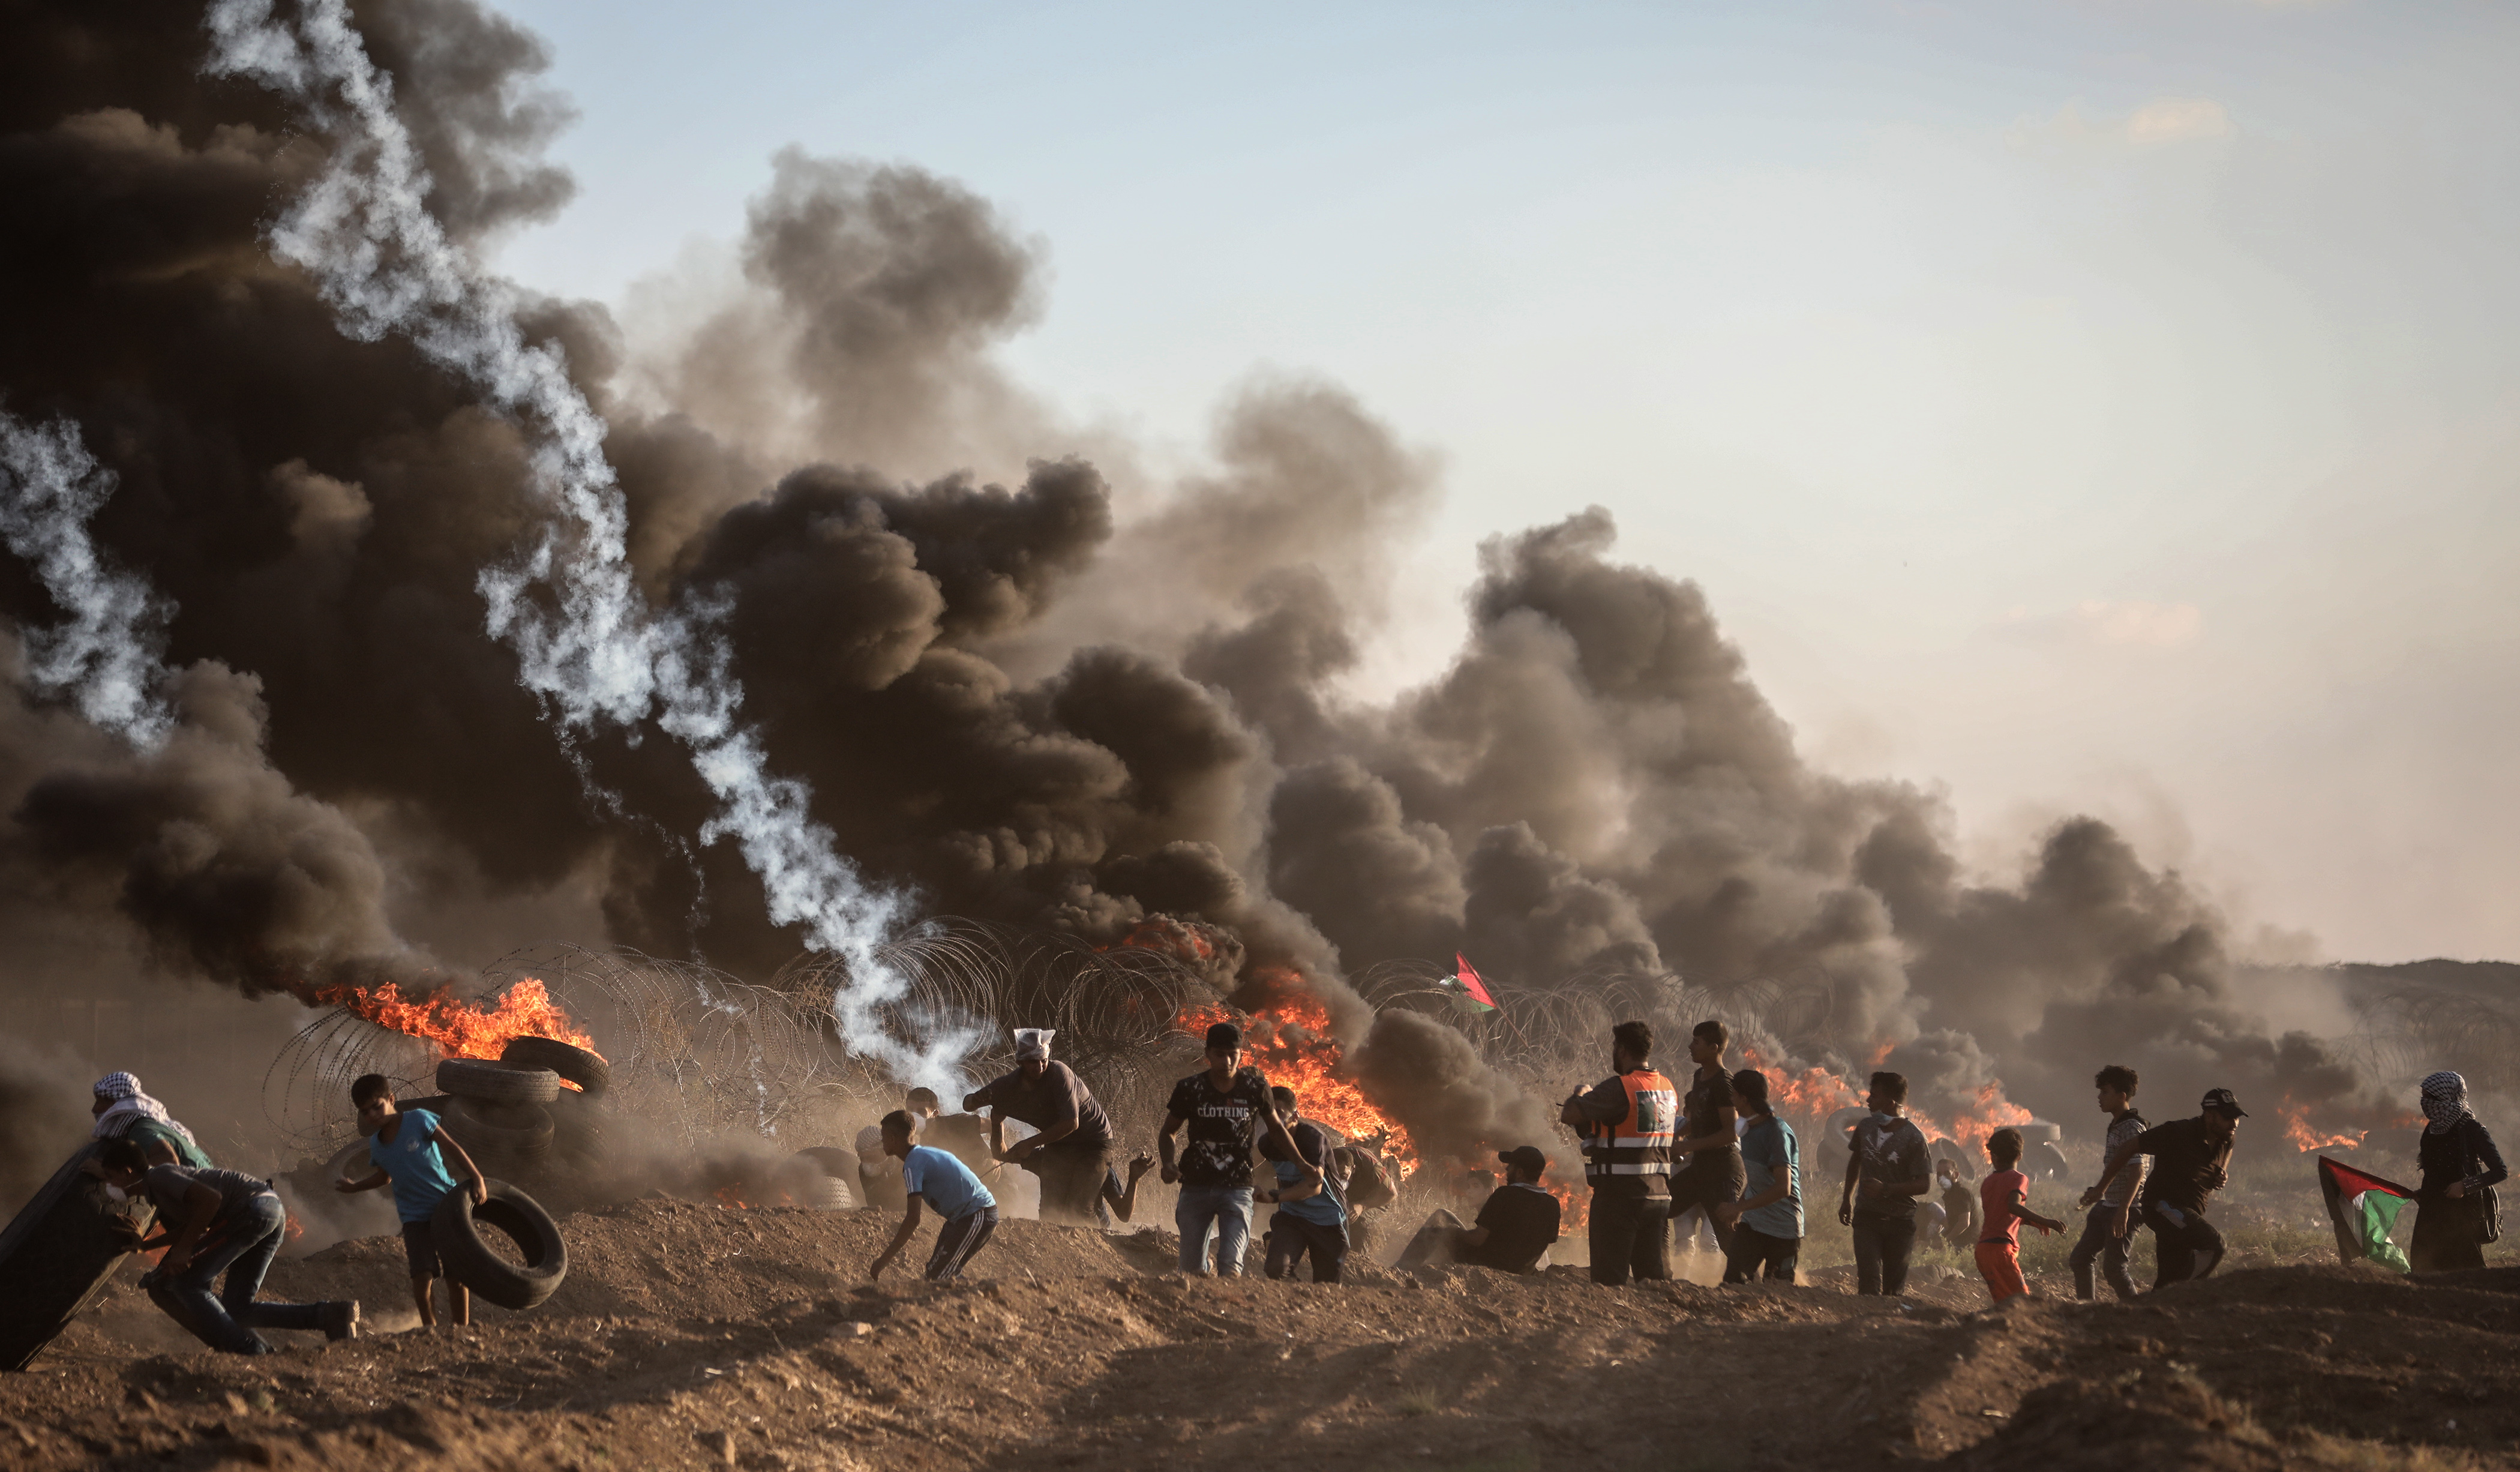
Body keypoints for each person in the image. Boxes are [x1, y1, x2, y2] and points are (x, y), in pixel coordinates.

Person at [96, 1138, 358, 1353]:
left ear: (127, 1173)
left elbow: (211, 1201)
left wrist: (184, 1251)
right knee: (238, 1307)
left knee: (188, 1283)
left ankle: (249, 1351)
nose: (109, 1185)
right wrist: (146, 1245)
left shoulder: (159, 1176)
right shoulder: (159, 1186)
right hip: (267, 1212)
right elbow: (192, 1225)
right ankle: (329, 1315)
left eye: (110, 1177)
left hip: (251, 1211)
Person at [1158, 1021, 1315, 1278]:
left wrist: (1302, 1164)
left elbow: (1277, 1129)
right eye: (1220, 1054)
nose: (1228, 1061)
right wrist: (1168, 1163)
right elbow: (1169, 1131)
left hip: (1238, 1187)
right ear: (1208, 1053)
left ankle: (1224, 1305)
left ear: (1242, 1054)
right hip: (1196, 1184)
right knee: (1191, 1269)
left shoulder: (1254, 1089)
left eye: (1234, 1054)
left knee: (1232, 1267)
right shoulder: (1190, 1089)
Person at [334, 1074, 490, 1330]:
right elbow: (384, 1178)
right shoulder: (377, 1145)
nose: (372, 1115)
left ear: (391, 1099)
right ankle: (430, 1328)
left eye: (377, 1106)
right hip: (414, 1217)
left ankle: (460, 1329)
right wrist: (355, 1188)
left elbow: (452, 1147)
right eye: (365, 1112)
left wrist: (477, 1178)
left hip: (446, 1204)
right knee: (422, 1276)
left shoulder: (418, 1119)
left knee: (456, 1274)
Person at [1559, 1019, 1677, 1287]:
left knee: (1609, 1283)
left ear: (1622, 1050)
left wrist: (1581, 1094)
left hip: (1620, 1199)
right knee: (1652, 1281)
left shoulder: (1621, 1087)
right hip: (1658, 1197)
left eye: (1614, 1047)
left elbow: (1569, 1114)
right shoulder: (1667, 1088)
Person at [964, 1029, 1120, 1226]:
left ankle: (1104, 1239)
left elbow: (1072, 1122)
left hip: (1094, 1142)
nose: (1039, 1067)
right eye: (1032, 1062)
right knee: (1049, 1211)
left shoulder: (1060, 1074)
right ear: (1020, 1062)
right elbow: (970, 1107)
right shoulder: (1008, 1086)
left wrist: (1030, 1144)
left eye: (1043, 1060)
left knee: (1080, 1207)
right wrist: (992, 1118)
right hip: (1059, 1144)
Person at [2093, 1087, 2245, 1288]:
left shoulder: (2226, 1137)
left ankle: (2154, 1309)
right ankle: (2184, 1292)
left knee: (2169, 1278)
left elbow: (2229, 1150)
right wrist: (2101, 1188)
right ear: (2210, 1116)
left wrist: (2221, 1171)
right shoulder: (2178, 1132)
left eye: (2236, 1117)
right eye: (2228, 1117)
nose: (2234, 1123)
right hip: (2162, 1206)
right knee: (2215, 1246)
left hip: (2188, 1212)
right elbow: (2129, 1147)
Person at [869, 1109, 1000, 1284]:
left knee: (941, 1277)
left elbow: (913, 1219)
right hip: (962, 1218)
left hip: (977, 1214)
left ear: (893, 1139)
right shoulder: (924, 1154)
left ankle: (983, 1297)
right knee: (935, 1274)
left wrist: (882, 1261)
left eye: (883, 1137)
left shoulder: (912, 1165)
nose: (882, 1142)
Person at [1838, 1071, 1932, 1297]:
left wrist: (1887, 1190)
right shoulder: (1865, 1127)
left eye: (1874, 1096)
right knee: (1868, 1283)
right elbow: (1856, 1161)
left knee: (1893, 1290)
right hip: (1867, 1216)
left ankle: (1888, 1329)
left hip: (1900, 1222)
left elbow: (1924, 1185)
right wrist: (1847, 1199)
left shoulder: (1915, 1137)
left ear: (1891, 1102)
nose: (1868, 1101)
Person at [1395, 1146, 1562, 1273]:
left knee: (1442, 1218)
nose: (1506, 1171)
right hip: (1522, 1270)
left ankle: (1401, 1269)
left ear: (1519, 1173)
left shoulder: (1505, 1194)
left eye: (1509, 1167)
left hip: (1487, 1264)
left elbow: (1477, 1240)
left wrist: (1453, 1232)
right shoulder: (1553, 1204)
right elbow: (1544, 1243)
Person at [1663, 1020, 1744, 1263]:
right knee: (1658, 1208)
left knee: (1727, 1237)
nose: (1690, 1047)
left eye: (1696, 1042)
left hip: (1723, 1173)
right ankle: (1659, 1269)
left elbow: (1731, 1133)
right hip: (1699, 1170)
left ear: (1714, 1047)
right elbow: (1699, 1118)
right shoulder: (1700, 1076)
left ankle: (1760, 1287)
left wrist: (1686, 1146)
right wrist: (1680, 1134)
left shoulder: (1724, 1083)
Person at [2410, 1071, 2507, 1273]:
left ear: (2448, 1098)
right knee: (2423, 1270)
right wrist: (2423, 1193)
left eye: (2431, 1097)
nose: (2425, 1103)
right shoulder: (2432, 1129)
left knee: (2466, 1273)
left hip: (2462, 1216)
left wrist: (2465, 1186)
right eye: (2424, 1097)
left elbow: (2500, 1171)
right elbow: (2433, 1170)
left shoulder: (2471, 1129)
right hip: (2431, 1213)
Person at [1715, 1069, 1802, 1284]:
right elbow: (1757, 1179)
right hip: (1754, 1223)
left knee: (1777, 1290)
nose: (1732, 1101)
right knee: (1733, 1281)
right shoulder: (1749, 1130)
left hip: (1783, 1228)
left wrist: (1738, 1208)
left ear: (1744, 1099)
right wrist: (1741, 1207)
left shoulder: (1776, 1132)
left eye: (1734, 1096)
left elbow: (1784, 1188)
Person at [2069, 1064, 2148, 1302]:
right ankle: (2087, 1309)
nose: (2099, 1097)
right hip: (2109, 1204)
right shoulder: (2116, 1125)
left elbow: (2138, 1171)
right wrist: (2098, 1191)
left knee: (2114, 1270)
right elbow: (2117, 1167)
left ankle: (2139, 1313)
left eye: (2105, 1092)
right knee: (2080, 1259)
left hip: (2126, 1208)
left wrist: (2123, 1210)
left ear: (2122, 1096)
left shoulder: (2133, 1127)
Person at [1258, 1086, 1349, 1283]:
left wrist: (1274, 1196)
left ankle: (1310, 1304)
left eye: (1279, 1113)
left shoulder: (1312, 1139)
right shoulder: (1266, 1143)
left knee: (1327, 1286)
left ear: (1295, 1116)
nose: (1273, 1119)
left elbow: (1314, 1187)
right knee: (1276, 1269)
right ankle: (1294, 1302)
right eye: (1268, 1112)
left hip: (1328, 1219)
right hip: (1292, 1217)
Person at [1977, 1127, 2065, 1304]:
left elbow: (2000, 1214)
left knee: (2004, 1303)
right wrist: (2046, 1221)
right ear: (2020, 1156)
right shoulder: (2019, 1178)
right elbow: (2013, 1207)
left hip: (1983, 1250)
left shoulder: (1988, 1182)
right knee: (2023, 1304)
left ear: (1992, 1157)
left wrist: (2032, 1222)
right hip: (2001, 1251)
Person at [90, 1071, 212, 1168]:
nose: (95, 1109)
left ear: (117, 1105)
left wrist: (116, 1173)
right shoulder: (144, 1126)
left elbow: (169, 1160)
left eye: (100, 1102)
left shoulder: (140, 1130)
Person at [1936, 1159, 1979, 1251]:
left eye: (1947, 1173)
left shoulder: (1961, 1194)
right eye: (1939, 1174)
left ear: (1956, 1175)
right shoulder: (1949, 1195)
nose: (1941, 1178)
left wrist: (1945, 1241)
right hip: (1958, 1242)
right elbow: (1951, 1225)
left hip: (1967, 1245)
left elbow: (1964, 1223)